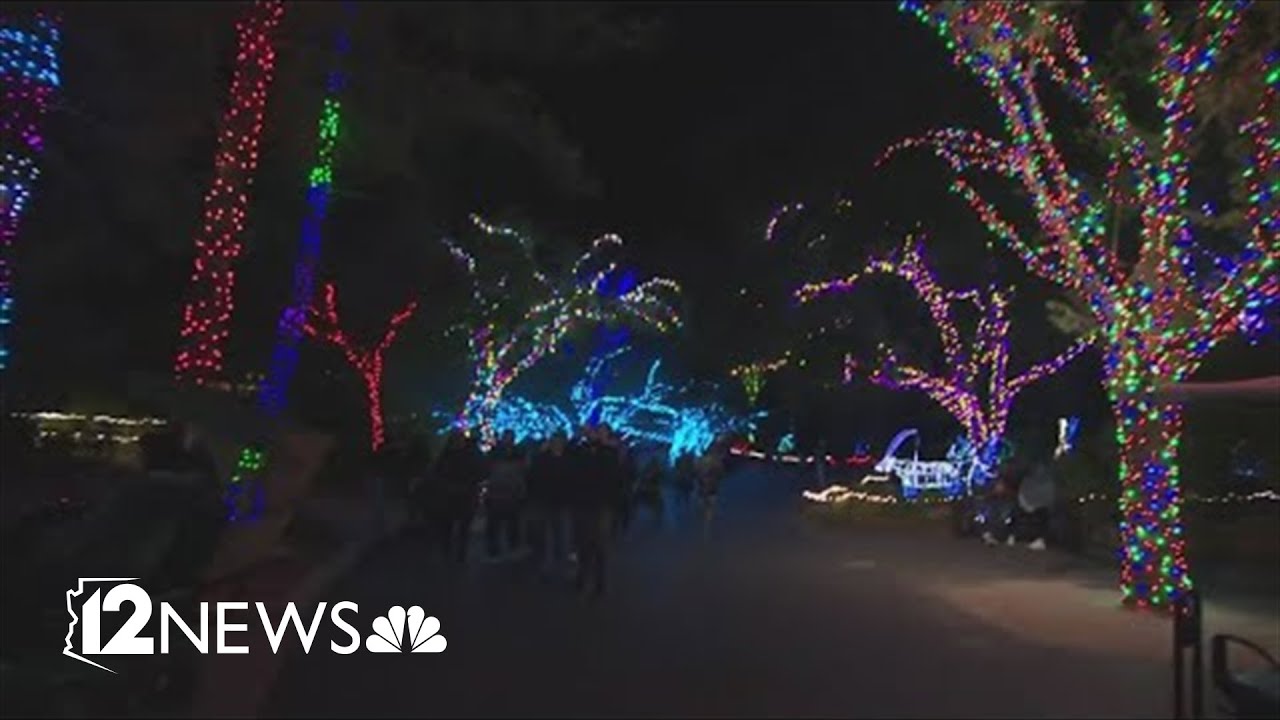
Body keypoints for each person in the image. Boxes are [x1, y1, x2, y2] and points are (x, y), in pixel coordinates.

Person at [568, 425, 614, 597]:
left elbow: (613, 475)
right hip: (582, 502)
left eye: (600, 432)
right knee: (581, 542)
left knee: (598, 544)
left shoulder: (609, 453)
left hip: (601, 504)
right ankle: (582, 576)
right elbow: (570, 460)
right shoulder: (582, 450)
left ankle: (599, 580)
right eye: (594, 431)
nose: (595, 434)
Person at [435, 429, 485, 565]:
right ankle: (454, 553)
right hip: (457, 493)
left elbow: (438, 472)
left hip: (460, 493)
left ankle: (455, 553)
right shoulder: (468, 454)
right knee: (453, 526)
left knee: (457, 526)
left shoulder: (449, 455)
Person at [484, 430, 527, 561]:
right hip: (498, 492)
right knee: (495, 523)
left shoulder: (517, 452)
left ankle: (509, 547)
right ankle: (495, 549)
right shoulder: (497, 452)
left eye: (510, 438)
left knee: (511, 523)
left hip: (510, 493)